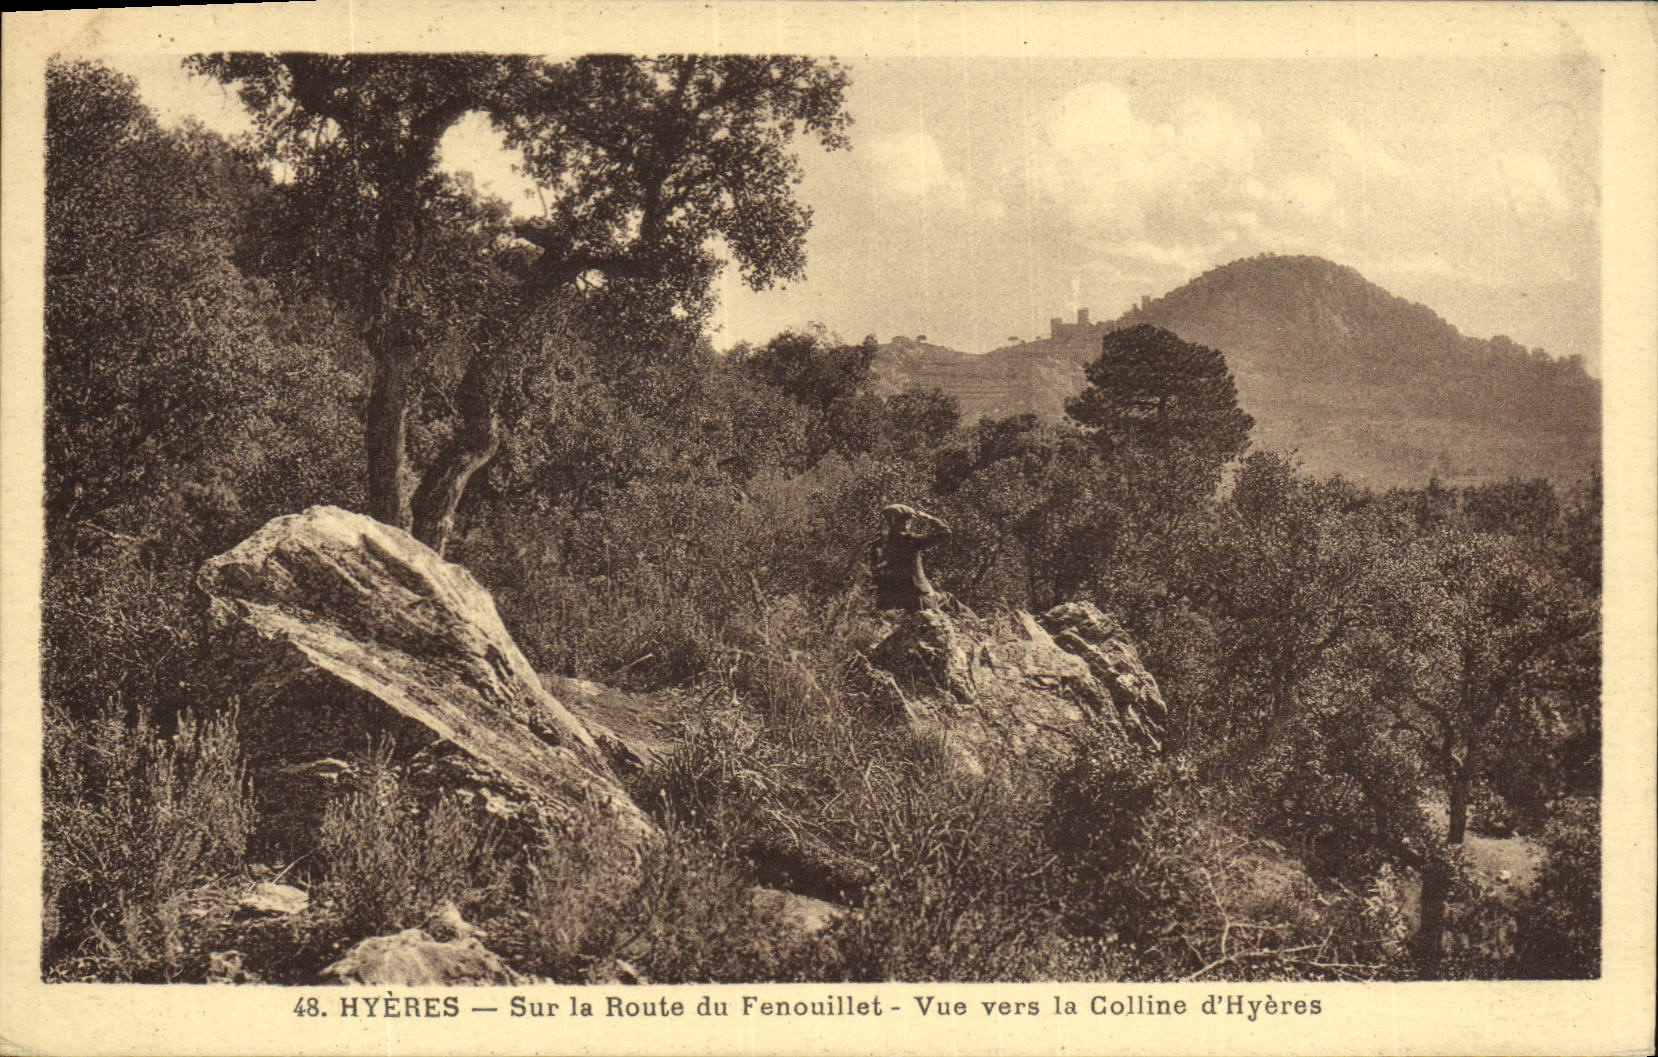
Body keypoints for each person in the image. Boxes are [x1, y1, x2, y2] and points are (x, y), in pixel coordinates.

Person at [869, 503, 951, 612]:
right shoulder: (910, 540)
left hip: (890, 601)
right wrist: (930, 518)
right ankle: (978, 625)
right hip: (919, 597)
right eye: (908, 520)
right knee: (950, 599)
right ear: (906, 522)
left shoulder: (877, 544)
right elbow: (945, 533)